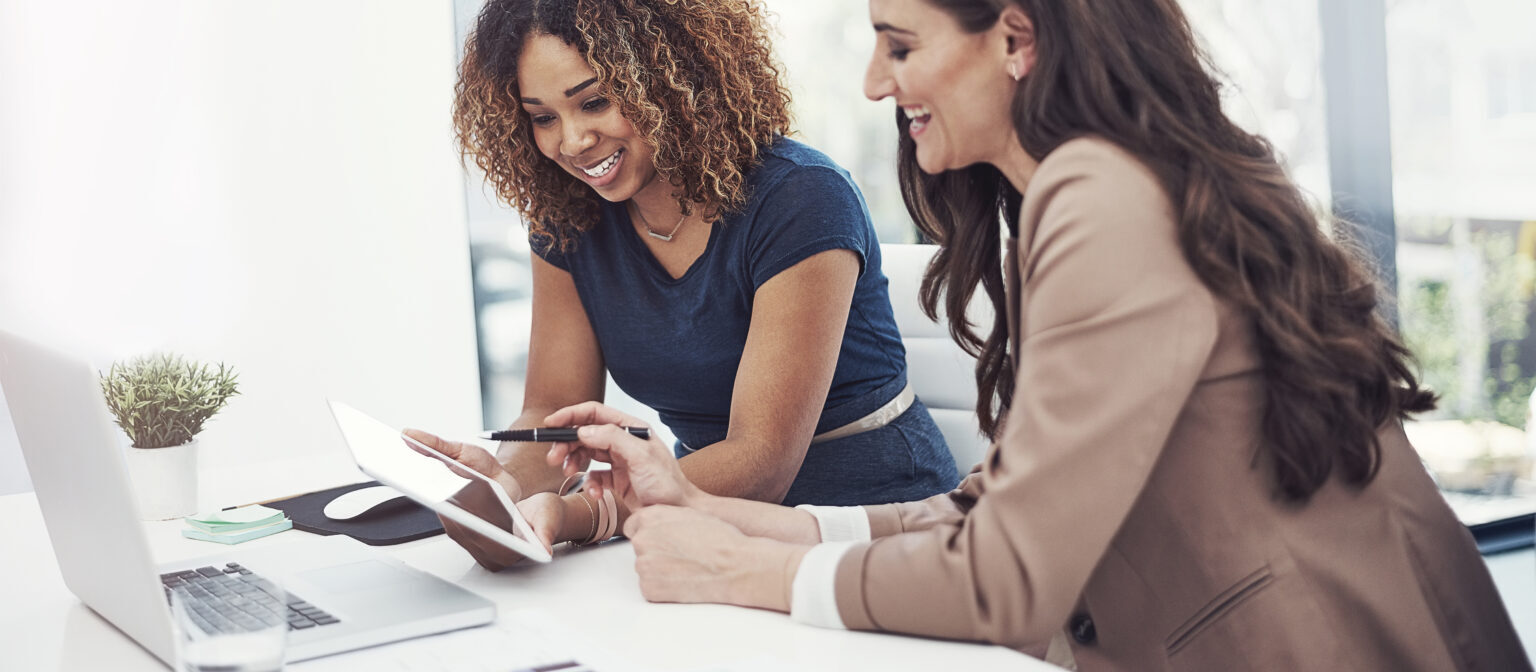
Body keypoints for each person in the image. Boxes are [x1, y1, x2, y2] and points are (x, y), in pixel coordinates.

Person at [538, 0, 1533, 669]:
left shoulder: (1098, 198)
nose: (878, 86)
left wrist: (750, 572)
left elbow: (1009, 577)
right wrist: (747, 522)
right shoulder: (1086, 186)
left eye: (900, 44)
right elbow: (1002, 503)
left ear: (1013, 38)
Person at [407, 0, 961, 570]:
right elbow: (546, 410)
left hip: (878, 531)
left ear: (670, 79)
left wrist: (575, 512)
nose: (571, 141)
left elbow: (761, 461)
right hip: (698, 525)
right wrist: (506, 495)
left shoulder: (803, 199)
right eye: (543, 117)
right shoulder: (567, 216)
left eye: (594, 102)